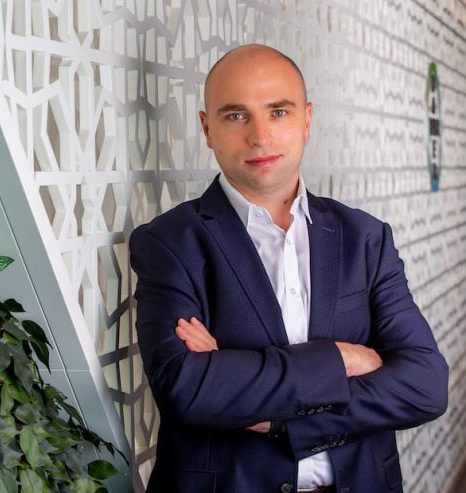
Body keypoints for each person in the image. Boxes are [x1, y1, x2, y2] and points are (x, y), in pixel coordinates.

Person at [129, 44, 448, 493]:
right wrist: (343, 359)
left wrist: (278, 418)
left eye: (278, 112)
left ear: (307, 120)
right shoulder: (169, 242)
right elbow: (190, 389)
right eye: (236, 115)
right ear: (207, 129)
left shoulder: (365, 238)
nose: (260, 136)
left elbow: (425, 386)